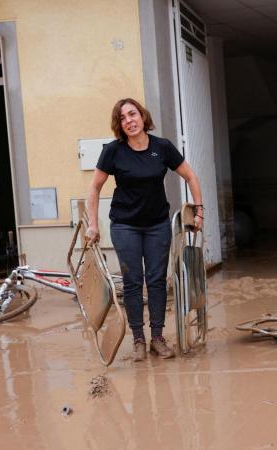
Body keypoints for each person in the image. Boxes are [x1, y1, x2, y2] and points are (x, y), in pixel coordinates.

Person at [85, 98, 204, 361]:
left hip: (157, 225)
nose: (129, 120)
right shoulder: (113, 151)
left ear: (142, 116)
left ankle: (158, 338)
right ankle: (138, 339)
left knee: (157, 280)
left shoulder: (162, 147)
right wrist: (93, 224)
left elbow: (190, 176)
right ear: (119, 125)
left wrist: (199, 209)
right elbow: (94, 187)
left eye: (132, 114)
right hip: (125, 225)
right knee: (133, 281)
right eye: (123, 118)